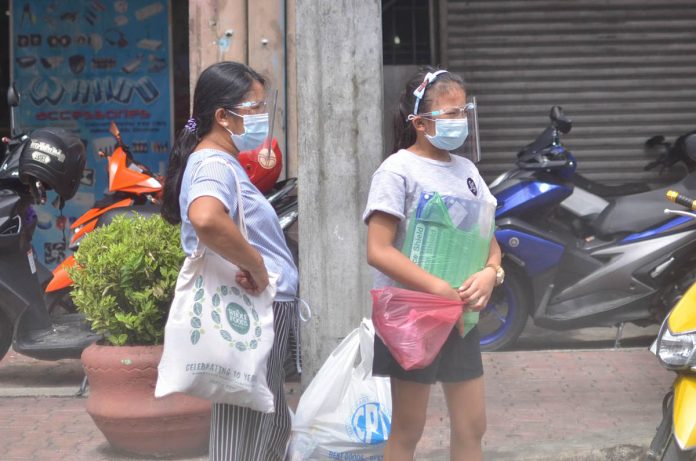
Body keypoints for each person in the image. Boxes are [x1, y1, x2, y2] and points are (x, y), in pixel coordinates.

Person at [363, 67, 504, 461]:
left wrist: (491, 273)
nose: (461, 122)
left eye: (464, 112)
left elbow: (489, 241)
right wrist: (438, 289)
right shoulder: (396, 171)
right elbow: (378, 250)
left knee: (472, 425)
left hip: (459, 317)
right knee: (409, 429)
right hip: (413, 318)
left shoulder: (469, 172)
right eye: (450, 114)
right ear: (421, 123)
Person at [161, 61, 299, 461]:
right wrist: (258, 266)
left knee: (267, 427)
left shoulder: (219, 160)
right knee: (243, 435)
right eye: (253, 108)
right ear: (222, 116)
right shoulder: (213, 163)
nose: (261, 117)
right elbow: (206, 218)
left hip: (259, 308)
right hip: (249, 309)